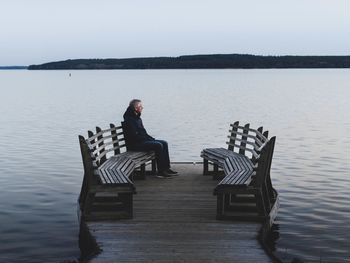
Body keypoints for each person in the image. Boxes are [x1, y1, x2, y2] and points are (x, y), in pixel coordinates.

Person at [123, 99, 178, 178]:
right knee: (158, 145)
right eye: (140, 106)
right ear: (135, 108)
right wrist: (147, 140)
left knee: (164, 143)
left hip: (141, 141)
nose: (142, 107)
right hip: (135, 145)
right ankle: (161, 171)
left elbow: (143, 133)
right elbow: (134, 136)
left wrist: (150, 139)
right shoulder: (129, 120)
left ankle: (166, 168)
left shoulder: (137, 118)